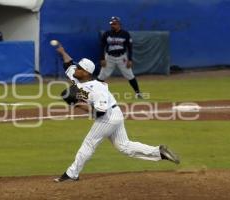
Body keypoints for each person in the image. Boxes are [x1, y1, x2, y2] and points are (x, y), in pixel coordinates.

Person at [53, 44, 180, 183]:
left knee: (89, 144)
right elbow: (69, 64)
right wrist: (63, 51)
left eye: (79, 68)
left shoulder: (98, 88)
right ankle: (158, 152)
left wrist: (78, 105)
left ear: (86, 72)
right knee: (124, 146)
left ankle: (72, 174)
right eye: (77, 67)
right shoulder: (77, 77)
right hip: (116, 114)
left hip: (108, 116)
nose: (76, 69)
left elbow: (100, 113)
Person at [98, 16, 143, 99]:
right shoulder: (107, 34)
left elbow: (130, 47)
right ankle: (95, 93)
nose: (112, 25)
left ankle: (138, 93)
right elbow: (102, 46)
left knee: (130, 75)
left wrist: (130, 59)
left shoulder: (125, 34)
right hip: (109, 58)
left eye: (114, 24)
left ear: (119, 24)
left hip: (122, 57)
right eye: (111, 24)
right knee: (101, 76)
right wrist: (102, 58)